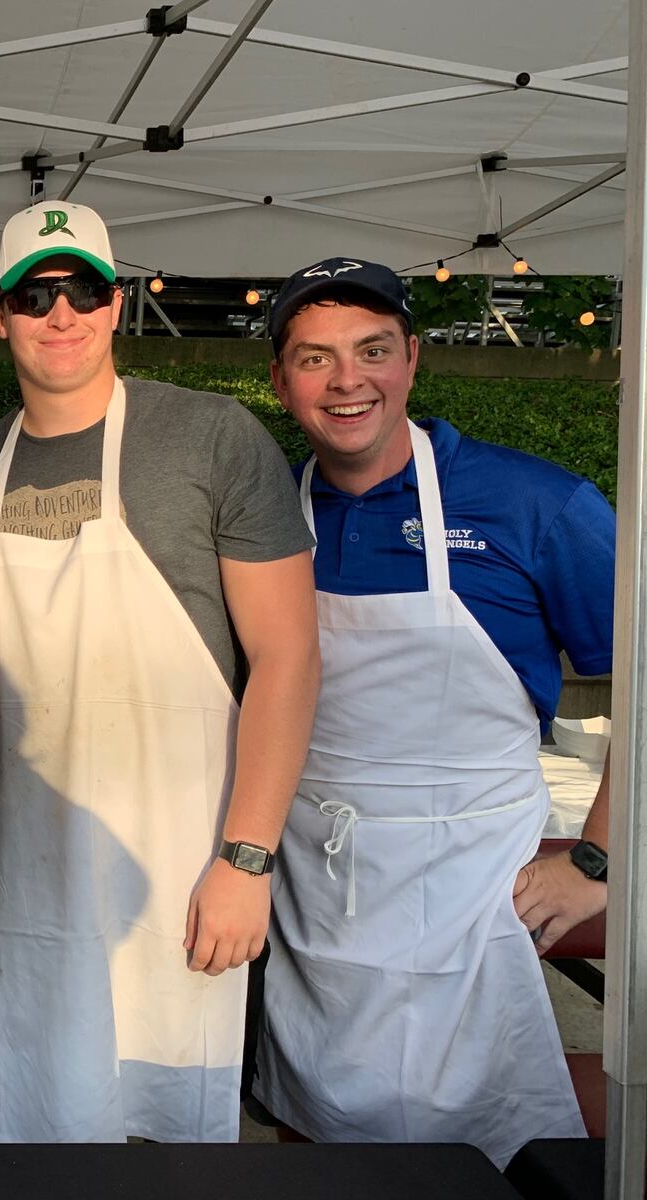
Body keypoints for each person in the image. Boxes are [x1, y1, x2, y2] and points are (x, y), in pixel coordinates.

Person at [0, 200, 320, 1143]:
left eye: (84, 290)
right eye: (35, 294)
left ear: (117, 304)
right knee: (30, 1122)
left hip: (183, 871)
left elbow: (288, 658)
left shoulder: (211, 439)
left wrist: (247, 859)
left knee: (167, 1133)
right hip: (17, 874)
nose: (60, 313)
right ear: (1, 315)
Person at [253, 257, 607, 1167]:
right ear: (279, 378)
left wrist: (598, 865)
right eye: (314, 357)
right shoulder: (263, 518)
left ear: (413, 357)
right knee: (321, 1143)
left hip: (476, 898)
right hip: (314, 898)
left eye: (372, 350)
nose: (347, 381)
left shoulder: (540, 505)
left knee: (484, 1159)